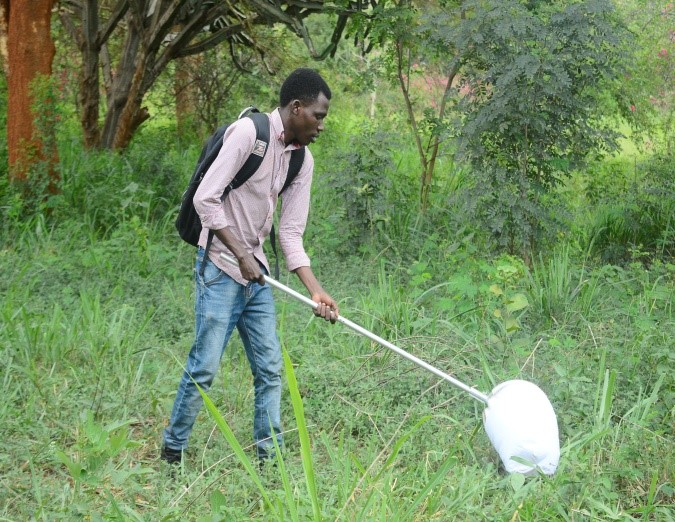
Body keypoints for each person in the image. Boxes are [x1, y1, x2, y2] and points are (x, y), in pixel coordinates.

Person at [162, 68, 339, 465]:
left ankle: (269, 457)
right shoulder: (248, 134)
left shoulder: (302, 161)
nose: (321, 126)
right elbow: (205, 199)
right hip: (220, 269)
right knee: (205, 368)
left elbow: (291, 234)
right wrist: (240, 254)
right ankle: (173, 450)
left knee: (270, 370)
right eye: (319, 115)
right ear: (296, 108)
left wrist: (315, 289)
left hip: (257, 276)